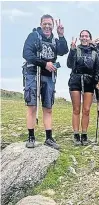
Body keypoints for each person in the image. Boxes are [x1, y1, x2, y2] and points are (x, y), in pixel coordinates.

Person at [22, 14, 68, 149]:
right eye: (45, 24)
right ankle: (31, 136)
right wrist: (44, 64)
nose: (47, 26)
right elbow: (26, 54)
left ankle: (49, 138)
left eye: (50, 24)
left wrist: (61, 35)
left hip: (49, 76)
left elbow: (63, 51)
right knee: (32, 106)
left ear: (53, 26)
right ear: (41, 24)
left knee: (48, 107)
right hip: (32, 74)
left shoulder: (54, 39)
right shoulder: (34, 36)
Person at [67, 30, 99, 146]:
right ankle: (76, 134)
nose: (84, 38)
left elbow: (97, 69)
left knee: (86, 109)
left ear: (90, 38)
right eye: (82, 36)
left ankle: (84, 134)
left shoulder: (94, 53)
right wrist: (71, 51)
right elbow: (69, 64)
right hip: (76, 80)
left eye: (86, 36)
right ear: (80, 38)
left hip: (89, 81)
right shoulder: (75, 50)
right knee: (76, 109)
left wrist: (97, 80)